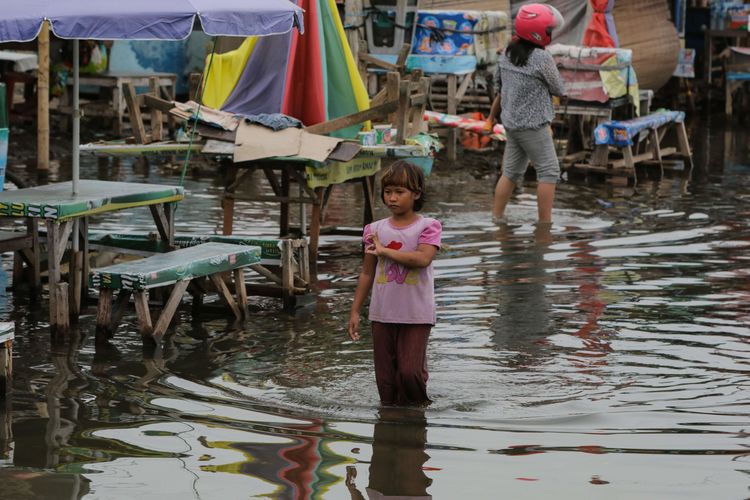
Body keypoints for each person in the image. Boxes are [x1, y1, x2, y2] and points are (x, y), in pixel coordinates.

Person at [348, 160, 442, 406]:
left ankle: (417, 416)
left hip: (416, 315)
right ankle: (389, 424)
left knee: (410, 372)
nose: (392, 198)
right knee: (386, 380)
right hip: (382, 314)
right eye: (388, 192)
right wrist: (356, 310)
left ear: (416, 194)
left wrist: (385, 252)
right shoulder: (374, 230)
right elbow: (368, 273)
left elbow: (422, 259)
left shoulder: (428, 226)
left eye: (399, 192)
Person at [485, 3, 566, 224]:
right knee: (549, 172)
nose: (550, 33)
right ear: (538, 32)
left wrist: (491, 118)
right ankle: (545, 225)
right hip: (533, 126)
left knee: (510, 173)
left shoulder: (507, 53)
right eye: (548, 30)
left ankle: (497, 217)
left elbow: (500, 88)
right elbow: (559, 89)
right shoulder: (541, 58)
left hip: (511, 124)